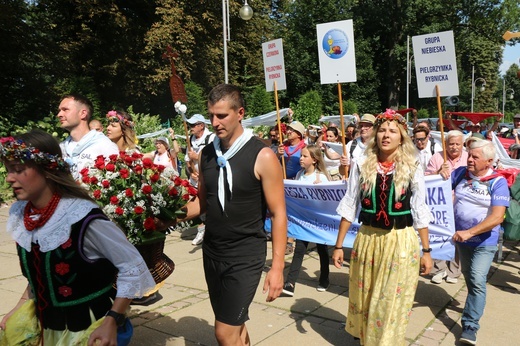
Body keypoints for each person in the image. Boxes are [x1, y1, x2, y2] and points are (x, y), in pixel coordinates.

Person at [0, 129, 155, 345]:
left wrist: (112, 320)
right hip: (47, 327)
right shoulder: (22, 215)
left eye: (17, 170)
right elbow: (40, 275)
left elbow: (133, 267)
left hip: (87, 329)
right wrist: (19, 308)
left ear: (46, 169)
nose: (9, 178)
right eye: (8, 170)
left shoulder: (81, 217)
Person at [195, 84, 287, 345]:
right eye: (211, 115)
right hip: (212, 251)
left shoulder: (263, 155)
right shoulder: (207, 154)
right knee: (234, 326)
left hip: (245, 254)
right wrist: (165, 214)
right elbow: (202, 204)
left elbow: (279, 213)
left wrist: (277, 266)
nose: (214, 122)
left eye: (221, 115)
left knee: (224, 332)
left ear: (240, 113)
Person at [332, 109, 433, 345]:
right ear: (376, 135)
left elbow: (420, 209)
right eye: (382, 131)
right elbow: (350, 204)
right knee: (366, 295)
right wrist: (338, 246)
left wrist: (426, 252)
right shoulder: (362, 164)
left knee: (388, 299)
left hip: (399, 240)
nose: (386, 135)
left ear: (401, 137)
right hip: (368, 239)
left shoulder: (412, 165)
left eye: (392, 131)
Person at [451, 140, 509, 345]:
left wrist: (470, 232)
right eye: (469, 155)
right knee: (469, 276)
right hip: (461, 239)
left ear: (489, 161)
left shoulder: (498, 182)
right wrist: (440, 176)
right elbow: (440, 193)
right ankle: (474, 303)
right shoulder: (459, 174)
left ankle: (470, 326)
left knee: (476, 278)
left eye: (475, 157)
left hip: (484, 240)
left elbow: (497, 217)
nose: (469, 160)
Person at [282, 145, 331, 297]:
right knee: (299, 250)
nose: (301, 159)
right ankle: (290, 283)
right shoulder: (299, 174)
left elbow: (327, 203)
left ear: (314, 160)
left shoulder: (320, 178)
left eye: (304, 156)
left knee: (322, 251)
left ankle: (324, 279)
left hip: (317, 222)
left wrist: (320, 191)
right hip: (303, 222)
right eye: (301, 156)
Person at [425, 130, 467, 284]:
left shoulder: (468, 158)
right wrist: (437, 172)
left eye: (457, 144)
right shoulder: (438, 157)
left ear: (462, 144)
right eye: (451, 144)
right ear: (445, 144)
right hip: (440, 204)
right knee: (438, 236)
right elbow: (425, 178)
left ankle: (454, 271)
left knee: (457, 237)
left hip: (460, 204)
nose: (454, 147)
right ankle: (439, 269)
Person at [58, 93, 119, 180]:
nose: (59, 114)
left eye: (65, 110)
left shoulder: (104, 146)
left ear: (83, 114)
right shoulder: (62, 148)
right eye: (60, 110)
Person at [185, 113, 215, 246]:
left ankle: (210, 230)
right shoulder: (190, 138)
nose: (190, 127)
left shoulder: (211, 138)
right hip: (196, 179)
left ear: (201, 126)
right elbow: (187, 160)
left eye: (193, 125)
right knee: (199, 203)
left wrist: (197, 157)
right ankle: (204, 229)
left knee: (211, 204)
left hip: (209, 178)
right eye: (190, 125)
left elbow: (215, 160)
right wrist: (191, 172)